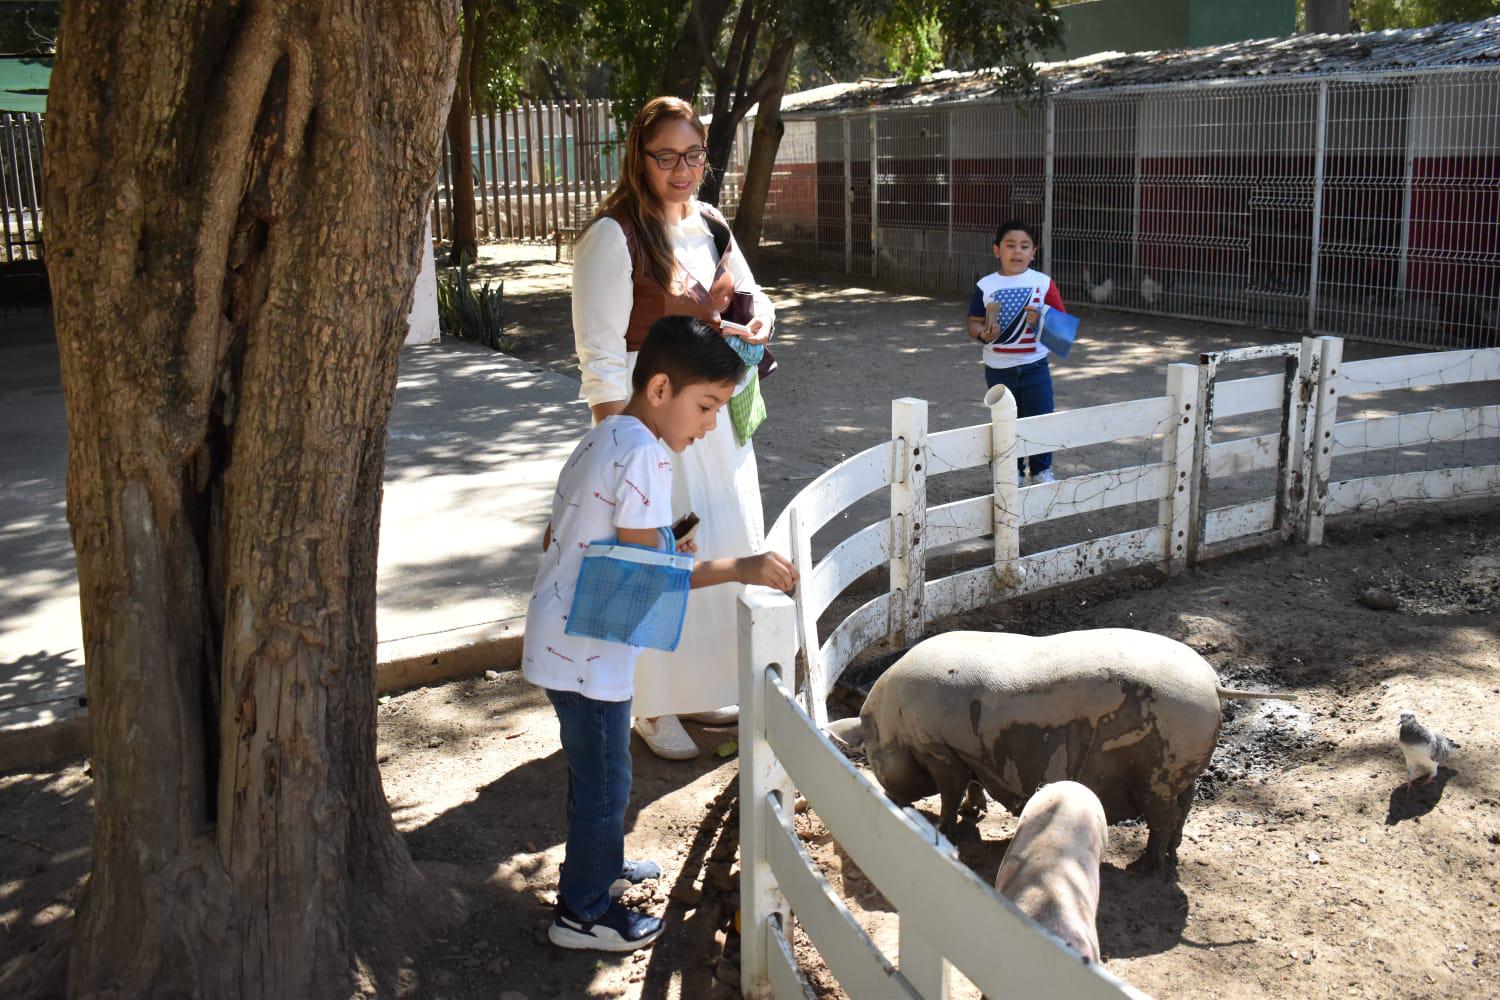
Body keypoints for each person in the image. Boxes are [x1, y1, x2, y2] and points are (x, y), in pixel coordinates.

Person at [523, 316, 798, 952]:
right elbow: (645, 574)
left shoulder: (608, 434)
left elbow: (572, 536)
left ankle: (600, 870)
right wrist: (744, 567)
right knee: (606, 785)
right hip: (588, 653)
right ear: (660, 389)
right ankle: (582, 915)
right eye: (705, 407)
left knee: (601, 775)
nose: (709, 426)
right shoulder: (647, 455)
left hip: (567, 638)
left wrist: (668, 541)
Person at [570, 96, 775, 760]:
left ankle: (696, 683)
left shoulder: (710, 223)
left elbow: (750, 291)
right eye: (667, 156)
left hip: (712, 418)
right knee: (657, 553)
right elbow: (600, 354)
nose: (681, 169)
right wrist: (620, 444)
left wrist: (759, 319)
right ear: (641, 157)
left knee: (716, 539)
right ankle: (649, 703)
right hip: (651, 424)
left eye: (693, 155)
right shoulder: (614, 235)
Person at [966, 219, 1068, 485]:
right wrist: (982, 334)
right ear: (996, 250)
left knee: (1040, 418)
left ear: (1034, 252)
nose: (1018, 252)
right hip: (998, 370)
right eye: (1011, 245)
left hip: (1036, 366)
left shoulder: (1043, 283)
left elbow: (1063, 325)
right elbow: (973, 321)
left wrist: (1043, 318)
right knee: (1005, 422)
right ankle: (1010, 472)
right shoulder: (985, 285)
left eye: (1025, 246)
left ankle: (1042, 470)